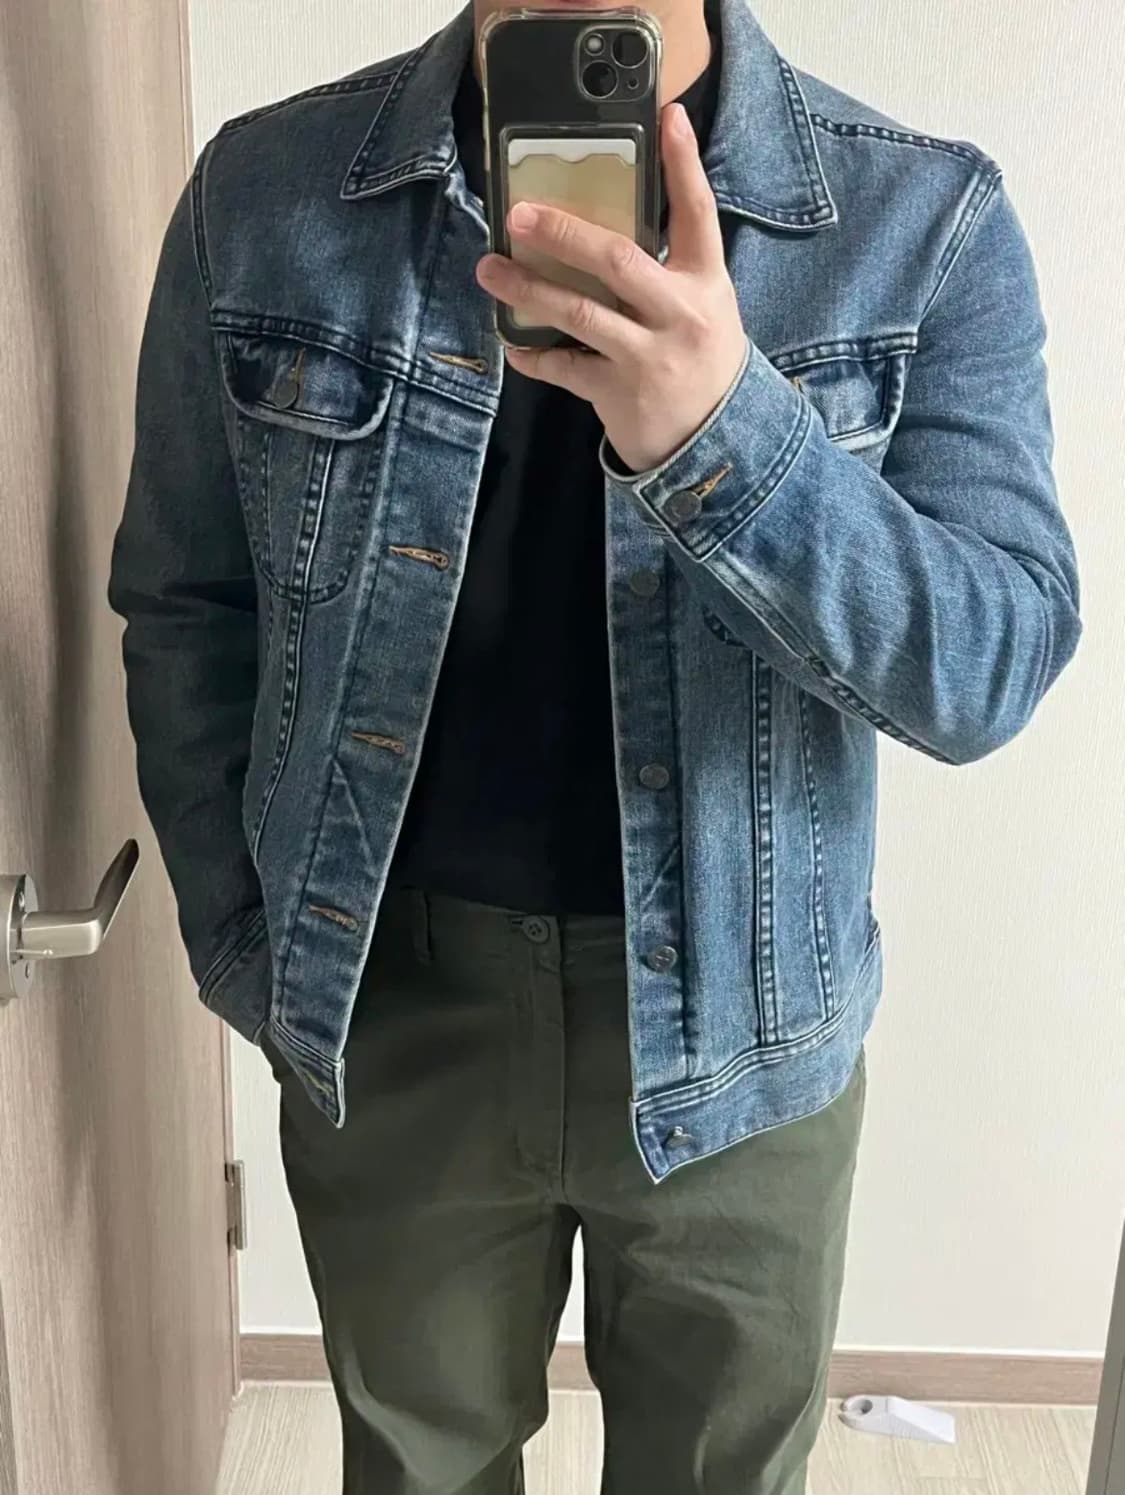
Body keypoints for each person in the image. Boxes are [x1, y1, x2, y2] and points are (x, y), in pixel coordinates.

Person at [107, 0, 1081, 1489]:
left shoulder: (915, 218)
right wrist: (241, 938)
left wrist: (721, 434)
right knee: (418, 1471)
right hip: (392, 1008)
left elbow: (990, 664)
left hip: (751, 1028)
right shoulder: (267, 193)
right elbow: (187, 602)